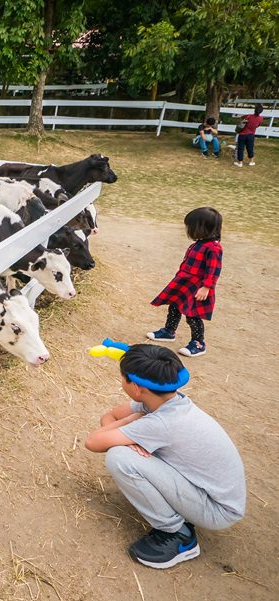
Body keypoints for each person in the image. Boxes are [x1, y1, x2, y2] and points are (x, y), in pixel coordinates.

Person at [85, 344, 245, 569]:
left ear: (138, 388)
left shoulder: (161, 422)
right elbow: (109, 416)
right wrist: (131, 431)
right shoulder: (166, 400)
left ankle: (179, 536)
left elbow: (92, 441)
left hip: (217, 510)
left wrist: (130, 425)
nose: (121, 381)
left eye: (123, 378)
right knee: (125, 449)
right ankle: (178, 519)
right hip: (207, 491)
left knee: (120, 457)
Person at [147, 207, 222, 357]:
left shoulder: (213, 248)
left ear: (201, 228)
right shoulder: (199, 244)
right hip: (184, 284)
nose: (188, 230)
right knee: (174, 307)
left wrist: (206, 287)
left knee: (192, 315)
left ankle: (198, 343)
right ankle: (169, 331)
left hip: (198, 287)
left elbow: (213, 269)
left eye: (190, 227)